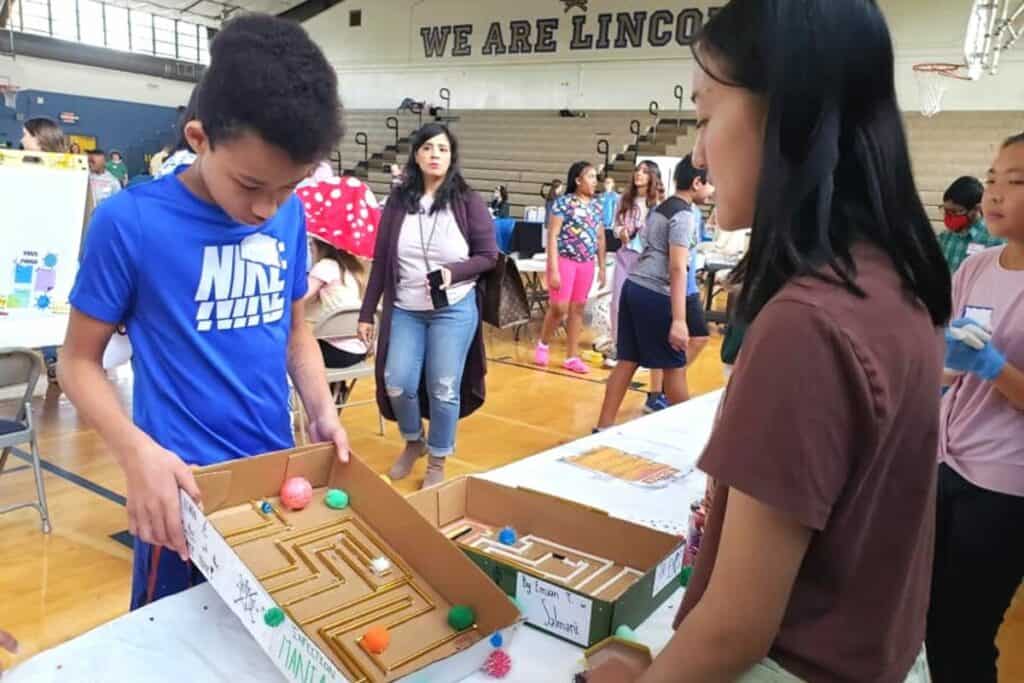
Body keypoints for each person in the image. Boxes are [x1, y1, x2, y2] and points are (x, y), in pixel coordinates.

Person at [586, 1, 950, 681]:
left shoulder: (807, 323)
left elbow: (735, 628)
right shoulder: (898, 278)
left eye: (703, 118)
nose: (697, 153)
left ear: (787, 113)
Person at [58, 13, 348, 611]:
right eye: (250, 185)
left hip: (277, 480)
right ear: (198, 138)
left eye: (287, 188)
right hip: (180, 495)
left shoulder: (286, 216)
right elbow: (77, 362)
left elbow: (295, 334)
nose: (267, 208)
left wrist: (321, 410)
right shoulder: (131, 223)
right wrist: (135, 451)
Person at [927, 133, 1024, 683]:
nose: (996, 193)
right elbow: (948, 369)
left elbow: (989, 369)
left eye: (1016, 182)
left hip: (1005, 483)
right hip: (948, 459)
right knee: (925, 611)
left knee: (962, 632)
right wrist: (940, 364)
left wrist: (993, 366)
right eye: (992, 178)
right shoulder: (977, 267)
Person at [358, 123, 498, 490]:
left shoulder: (468, 201)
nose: (435, 155)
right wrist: (365, 312)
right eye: (428, 148)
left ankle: (437, 457)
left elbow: (488, 256)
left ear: (452, 157)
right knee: (397, 382)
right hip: (405, 307)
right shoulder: (398, 202)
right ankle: (413, 440)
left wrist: (453, 272)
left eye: (443, 149)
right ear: (416, 155)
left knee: (443, 386)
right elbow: (381, 259)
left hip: (453, 308)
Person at [596, 157, 702, 430]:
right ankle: (686, 435)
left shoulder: (661, 209)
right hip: (655, 293)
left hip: (634, 286)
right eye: (710, 186)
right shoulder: (683, 215)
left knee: (627, 360)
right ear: (697, 182)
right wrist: (679, 320)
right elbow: (677, 267)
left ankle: (603, 426)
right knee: (674, 366)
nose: (712, 192)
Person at [534, 161, 607, 374]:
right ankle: (543, 343)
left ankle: (572, 357)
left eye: (595, 177)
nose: (594, 181)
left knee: (578, 308)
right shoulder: (563, 203)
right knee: (559, 307)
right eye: (590, 176)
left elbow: (600, 237)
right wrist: (553, 268)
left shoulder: (597, 206)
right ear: (577, 180)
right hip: (565, 260)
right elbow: (553, 235)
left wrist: (601, 266)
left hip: (587, 263)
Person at [611, 161, 664, 405]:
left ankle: (642, 352)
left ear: (653, 176)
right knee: (618, 302)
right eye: (637, 171)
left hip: (647, 260)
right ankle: (620, 346)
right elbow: (615, 226)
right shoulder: (625, 201)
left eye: (644, 171)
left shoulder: (658, 205)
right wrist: (620, 230)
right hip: (625, 255)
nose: (639, 175)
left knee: (643, 305)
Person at [305, 235, 368, 370]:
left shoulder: (324, 266)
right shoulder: (350, 268)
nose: (309, 248)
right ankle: (335, 387)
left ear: (320, 246)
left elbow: (299, 297)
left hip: (335, 353)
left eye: (311, 244)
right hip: (359, 351)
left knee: (294, 346)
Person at [938, 175, 1004, 274]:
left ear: (977, 209)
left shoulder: (997, 241)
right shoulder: (944, 237)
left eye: (955, 211)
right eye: (946, 210)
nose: (949, 216)